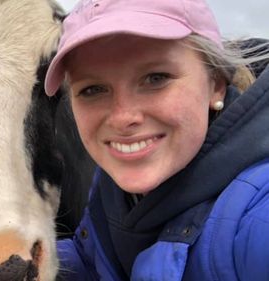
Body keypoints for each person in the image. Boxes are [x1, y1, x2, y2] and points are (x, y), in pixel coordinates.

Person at [44, 0, 269, 280]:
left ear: (216, 85)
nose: (122, 118)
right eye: (93, 89)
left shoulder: (256, 216)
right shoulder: (112, 188)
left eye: (155, 78)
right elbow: (94, 258)